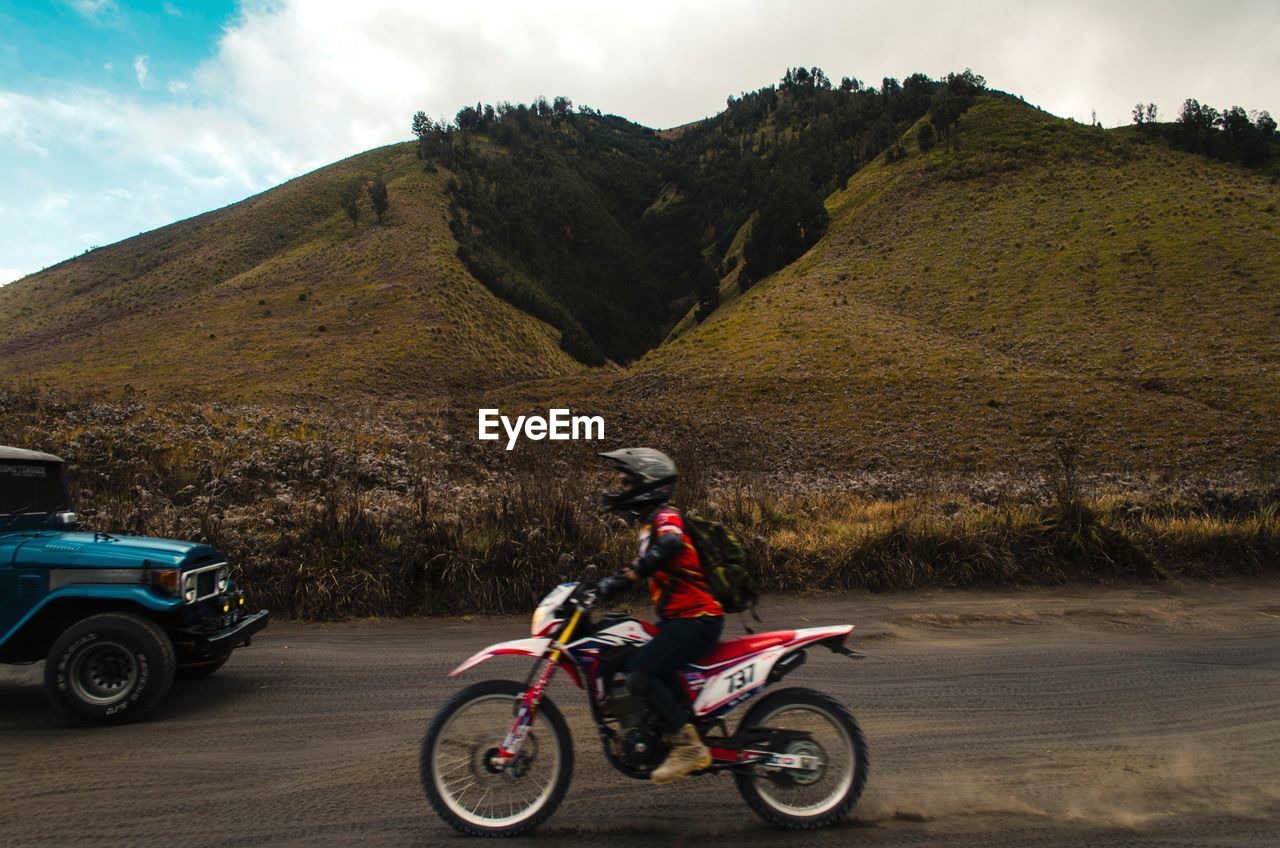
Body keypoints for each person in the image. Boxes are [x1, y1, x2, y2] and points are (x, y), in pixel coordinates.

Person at [596, 448, 725, 785]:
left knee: (641, 670)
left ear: (648, 484)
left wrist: (628, 576)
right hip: (680, 620)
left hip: (696, 619)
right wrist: (602, 585)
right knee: (629, 652)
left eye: (626, 481)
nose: (620, 487)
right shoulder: (648, 524)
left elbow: (669, 544)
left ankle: (688, 747)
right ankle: (669, 726)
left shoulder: (666, 517)